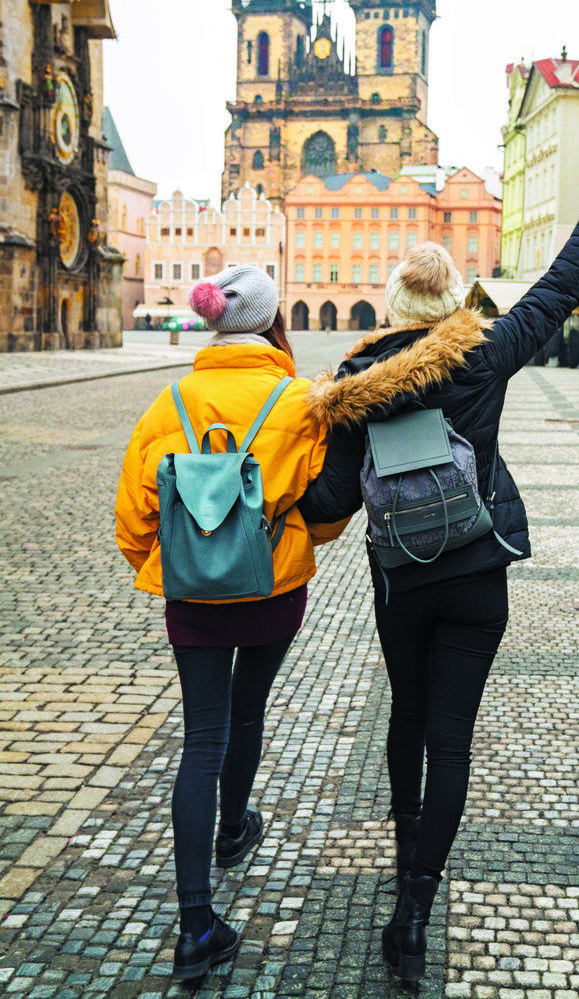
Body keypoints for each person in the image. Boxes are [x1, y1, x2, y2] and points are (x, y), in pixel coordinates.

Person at [297, 142, 579, 979]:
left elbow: (332, 502)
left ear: (390, 304)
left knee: (407, 721)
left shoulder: (357, 382)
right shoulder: (484, 355)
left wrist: (268, 497)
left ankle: (401, 851)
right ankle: (417, 905)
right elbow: (558, 290)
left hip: (404, 584)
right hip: (477, 575)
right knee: (452, 741)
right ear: (455, 301)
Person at [115, 265, 346, 982]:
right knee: (248, 714)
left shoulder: (170, 402)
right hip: (273, 588)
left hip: (190, 596)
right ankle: (235, 829)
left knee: (201, 738)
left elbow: (132, 518)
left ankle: (195, 927)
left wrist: (171, 559)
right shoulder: (300, 402)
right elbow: (331, 513)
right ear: (274, 324)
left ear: (215, 326)